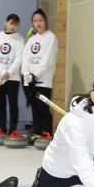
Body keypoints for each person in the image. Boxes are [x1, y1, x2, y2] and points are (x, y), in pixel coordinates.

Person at [21, 8, 58, 145]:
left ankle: (47, 132)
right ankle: (37, 133)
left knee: (43, 107)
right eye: (35, 21)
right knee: (34, 108)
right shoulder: (32, 39)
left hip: (43, 80)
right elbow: (25, 57)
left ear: (46, 21)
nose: (38, 23)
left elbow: (48, 60)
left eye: (40, 20)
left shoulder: (51, 37)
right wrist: (26, 73)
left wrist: (36, 74)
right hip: (29, 80)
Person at [0, 13, 24, 135]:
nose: (13, 26)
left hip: (13, 78)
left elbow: (19, 58)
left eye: (15, 24)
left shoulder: (19, 39)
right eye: (11, 23)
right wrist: (1, 71)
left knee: (13, 104)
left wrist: (9, 72)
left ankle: (13, 130)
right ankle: (2, 128)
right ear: (6, 22)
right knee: (1, 104)